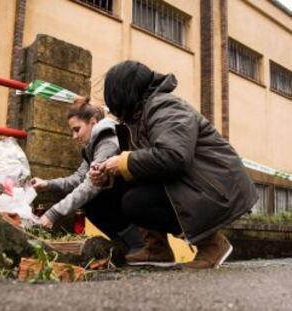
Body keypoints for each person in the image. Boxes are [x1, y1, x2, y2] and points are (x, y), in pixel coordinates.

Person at [90, 60, 258, 269]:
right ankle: (156, 248)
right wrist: (110, 174)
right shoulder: (141, 115)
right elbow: (149, 164)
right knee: (109, 191)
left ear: (125, 94)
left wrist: (124, 161)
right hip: (196, 184)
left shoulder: (164, 106)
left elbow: (174, 156)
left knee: (136, 201)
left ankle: (212, 244)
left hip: (216, 188)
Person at [30, 98, 144, 254]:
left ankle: (137, 244)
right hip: (127, 200)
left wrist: (53, 214)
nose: (74, 136)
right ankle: (124, 244)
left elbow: (90, 185)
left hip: (134, 199)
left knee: (94, 198)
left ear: (93, 122)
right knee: (89, 199)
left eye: (77, 129)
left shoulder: (108, 142)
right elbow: (78, 179)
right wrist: (48, 184)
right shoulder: (92, 146)